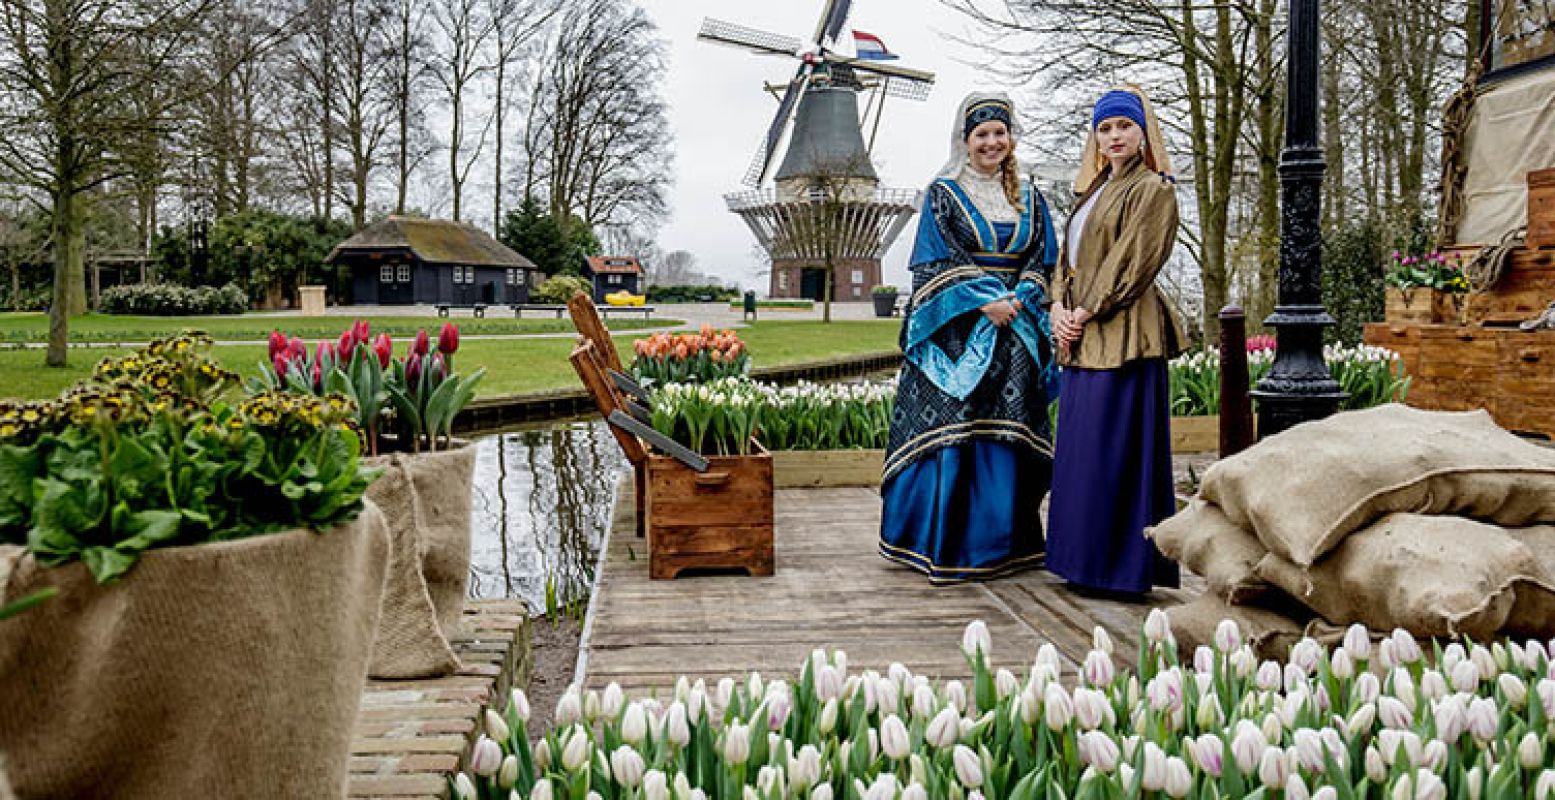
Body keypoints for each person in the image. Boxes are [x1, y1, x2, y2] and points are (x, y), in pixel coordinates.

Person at [878, 91, 1060, 583]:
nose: (991, 142)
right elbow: (937, 261)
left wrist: (1019, 295)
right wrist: (984, 300)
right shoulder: (944, 194)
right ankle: (946, 546)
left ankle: (1005, 545)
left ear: (1010, 137)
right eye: (982, 134)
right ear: (966, 139)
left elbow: (1043, 259)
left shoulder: (1032, 198)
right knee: (958, 429)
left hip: (1015, 333)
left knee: (1008, 431)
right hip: (958, 338)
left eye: (999, 132)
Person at [1047, 85, 1187, 595]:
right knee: (1082, 452)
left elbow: (1132, 261)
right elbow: (1068, 260)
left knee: (1115, 451)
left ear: (1143, 129)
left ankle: (1119, 568)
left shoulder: (1154, 189)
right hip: (1082, 335)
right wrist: (1058, 307)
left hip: (1123, 334)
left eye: (1123, 126)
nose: (1114, 136)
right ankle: (1080, 560)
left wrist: (1085, 309)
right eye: (1104, 128)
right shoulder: (1093, 192)